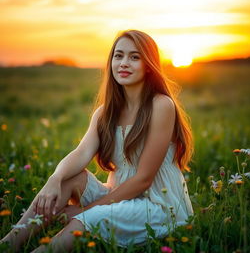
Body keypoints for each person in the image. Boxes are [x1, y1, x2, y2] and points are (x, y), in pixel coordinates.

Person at [0, 29, 194, 252]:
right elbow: (81, 153)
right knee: (69, 178)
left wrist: (84, 211)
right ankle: (8, 245)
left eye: (134, 57)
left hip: (158, 205)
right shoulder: (105, 113)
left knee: (89, 219)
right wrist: (55, 178)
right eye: (118, 55)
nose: (123, 63)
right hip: (119, 196)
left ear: (148, 64)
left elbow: (143, 180)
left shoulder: (160, 106)